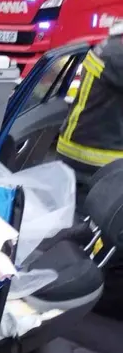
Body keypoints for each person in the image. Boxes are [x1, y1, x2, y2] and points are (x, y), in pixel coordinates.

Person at [57, 21, 123, 214]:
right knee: (97, 223)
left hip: (77, 148)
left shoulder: (111, 45)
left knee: (75, 220)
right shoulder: (118, 55)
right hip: (96, 157)